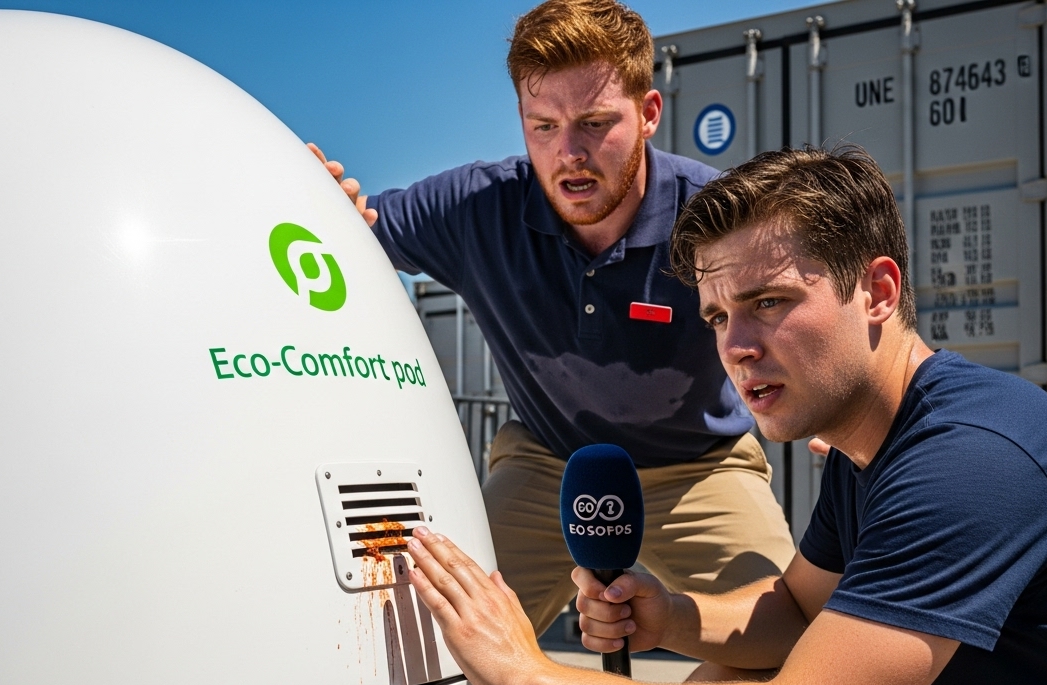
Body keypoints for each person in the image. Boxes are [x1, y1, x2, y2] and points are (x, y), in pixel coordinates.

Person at [400, 145, 1047, 685]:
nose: (735, 345)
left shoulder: (971, 460)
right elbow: (793, 609)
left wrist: (526, 677)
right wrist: (672, 615)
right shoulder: (871, 447)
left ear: (877, 291)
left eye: (770, 301)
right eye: (716, 317)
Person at [309, 0, 795, 638]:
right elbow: (344, 239)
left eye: (595, 123)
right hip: (548, 463)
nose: (569, 153)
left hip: (699, 467)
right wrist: (317, 202)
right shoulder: (475, 208)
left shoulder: (717, 214)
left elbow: (801, 310)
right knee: (431, 638)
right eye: (543, 125)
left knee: (789, 640)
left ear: (649, 113)